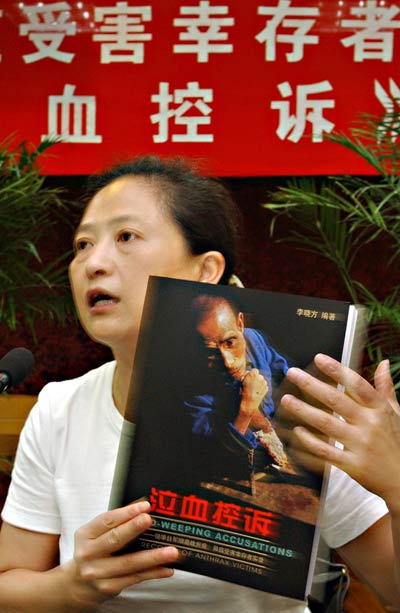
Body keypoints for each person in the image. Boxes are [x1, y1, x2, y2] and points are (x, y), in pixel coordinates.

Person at [0, 155, 397, 612]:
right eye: (82, 244)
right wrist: (70, 587)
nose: (94, 263)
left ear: (206, 270)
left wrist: (396, 478)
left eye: (125, 236)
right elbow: (9, 584)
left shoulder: (301, 407)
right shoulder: (59, 409)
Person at [184, 293, 292, 477]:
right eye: (211, 353)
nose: (228, 362)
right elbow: (221, 458)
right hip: (242, 467)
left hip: (282, 437)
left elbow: (283, 374)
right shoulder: (192, 392)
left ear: (240, 323)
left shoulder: (253, 340)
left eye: (230, 342)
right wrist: (246, 410)